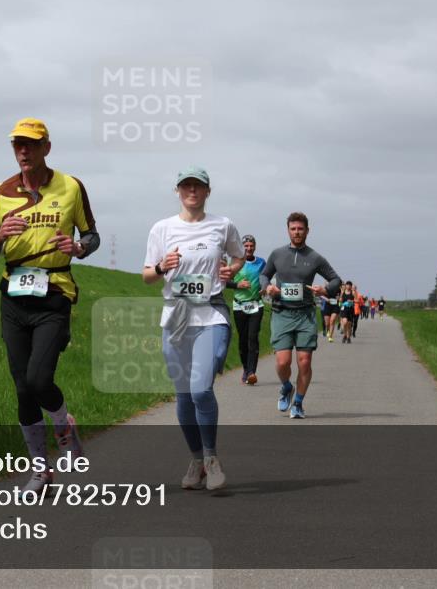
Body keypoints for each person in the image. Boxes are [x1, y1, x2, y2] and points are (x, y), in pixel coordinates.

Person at [0, 118, 100, 493]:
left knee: (39, 380)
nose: (23, 151)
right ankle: (40, 470)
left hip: (54, 292)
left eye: (30, 144)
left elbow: (91, 235)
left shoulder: (71, 186)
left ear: (47, 147)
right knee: (22, 389)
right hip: (13, 296)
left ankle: (64, 425)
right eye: (17, 145)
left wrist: (78, 248)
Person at [143, 166, 244, 491]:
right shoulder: (162, 228)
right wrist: (162, 266)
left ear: (207, 191)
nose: (192, 191)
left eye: (198, 186)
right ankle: (197, 459)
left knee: (200, 389)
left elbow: (238, 257)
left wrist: (231, 270)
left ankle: (212, 458)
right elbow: (147, 275)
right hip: (176, 318)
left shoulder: (222, 225)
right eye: (186, 185)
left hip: (211, 314)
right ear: (177, 191)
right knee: (184, 396)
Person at [261, 212, 342, 419]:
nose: (297, 232)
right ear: (288, 230)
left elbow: (336, 280)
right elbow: (264, 275)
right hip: (281, 312)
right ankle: (287, 387)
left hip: (305, 315)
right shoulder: (277, 254)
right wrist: (267, 287)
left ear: (307, 231)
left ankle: (298, 403)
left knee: (304, 362)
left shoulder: (315, 257)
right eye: (293, 229)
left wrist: (324, 290)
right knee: (282, 362)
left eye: (300, 229)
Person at [232, 234, 266, 385]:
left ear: (255, 247)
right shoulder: (235, 262)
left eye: (251, 246)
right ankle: (246, 368)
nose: (249, 248)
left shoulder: (261, 262)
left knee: (253, 337)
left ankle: (252, 372)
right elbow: (224, 281)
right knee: (243, 339)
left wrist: (265, 287)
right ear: (242, 247)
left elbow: (266, 277)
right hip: (239, 305)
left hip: (256, 305)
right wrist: (237, 285)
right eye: (246, 246)